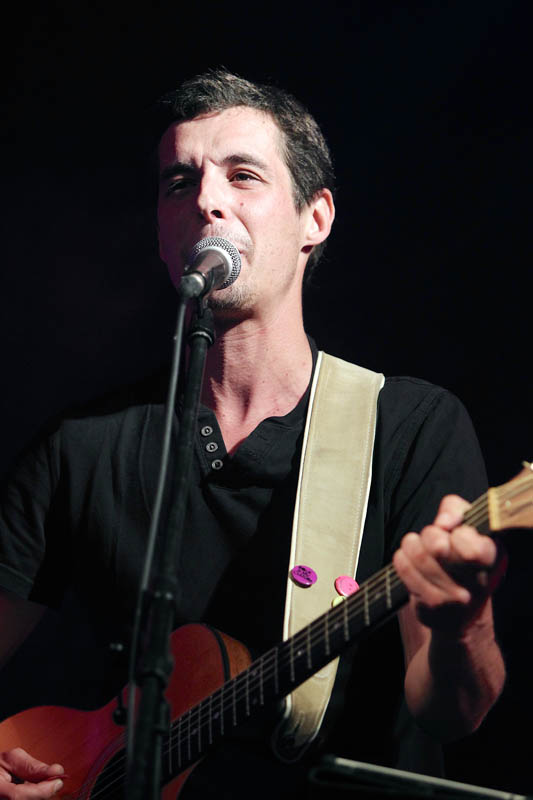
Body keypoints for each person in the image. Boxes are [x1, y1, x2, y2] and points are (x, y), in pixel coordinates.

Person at [0, 69, 505, 798]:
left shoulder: (408, 427)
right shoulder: (82, 447)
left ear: (315, 218)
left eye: (242, 176)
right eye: (180, 182)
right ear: (163, 233)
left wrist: (463, 624)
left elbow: (453, 714)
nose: (205, 200)